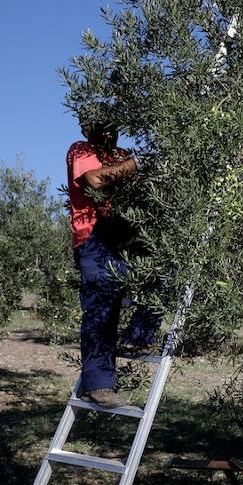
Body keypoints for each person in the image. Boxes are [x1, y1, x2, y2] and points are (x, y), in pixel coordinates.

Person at [67, 111, 158, 407]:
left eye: (113, 127)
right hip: (93, 237)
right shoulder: (80, 150)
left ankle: (139, 335)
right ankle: (99, 384)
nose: (109, 133)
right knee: (101, 312)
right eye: (102, 128)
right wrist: (138, 163)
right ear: (87, 128)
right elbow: (94, 180)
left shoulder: (119, 154)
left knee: (164, 264)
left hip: (121, 231)